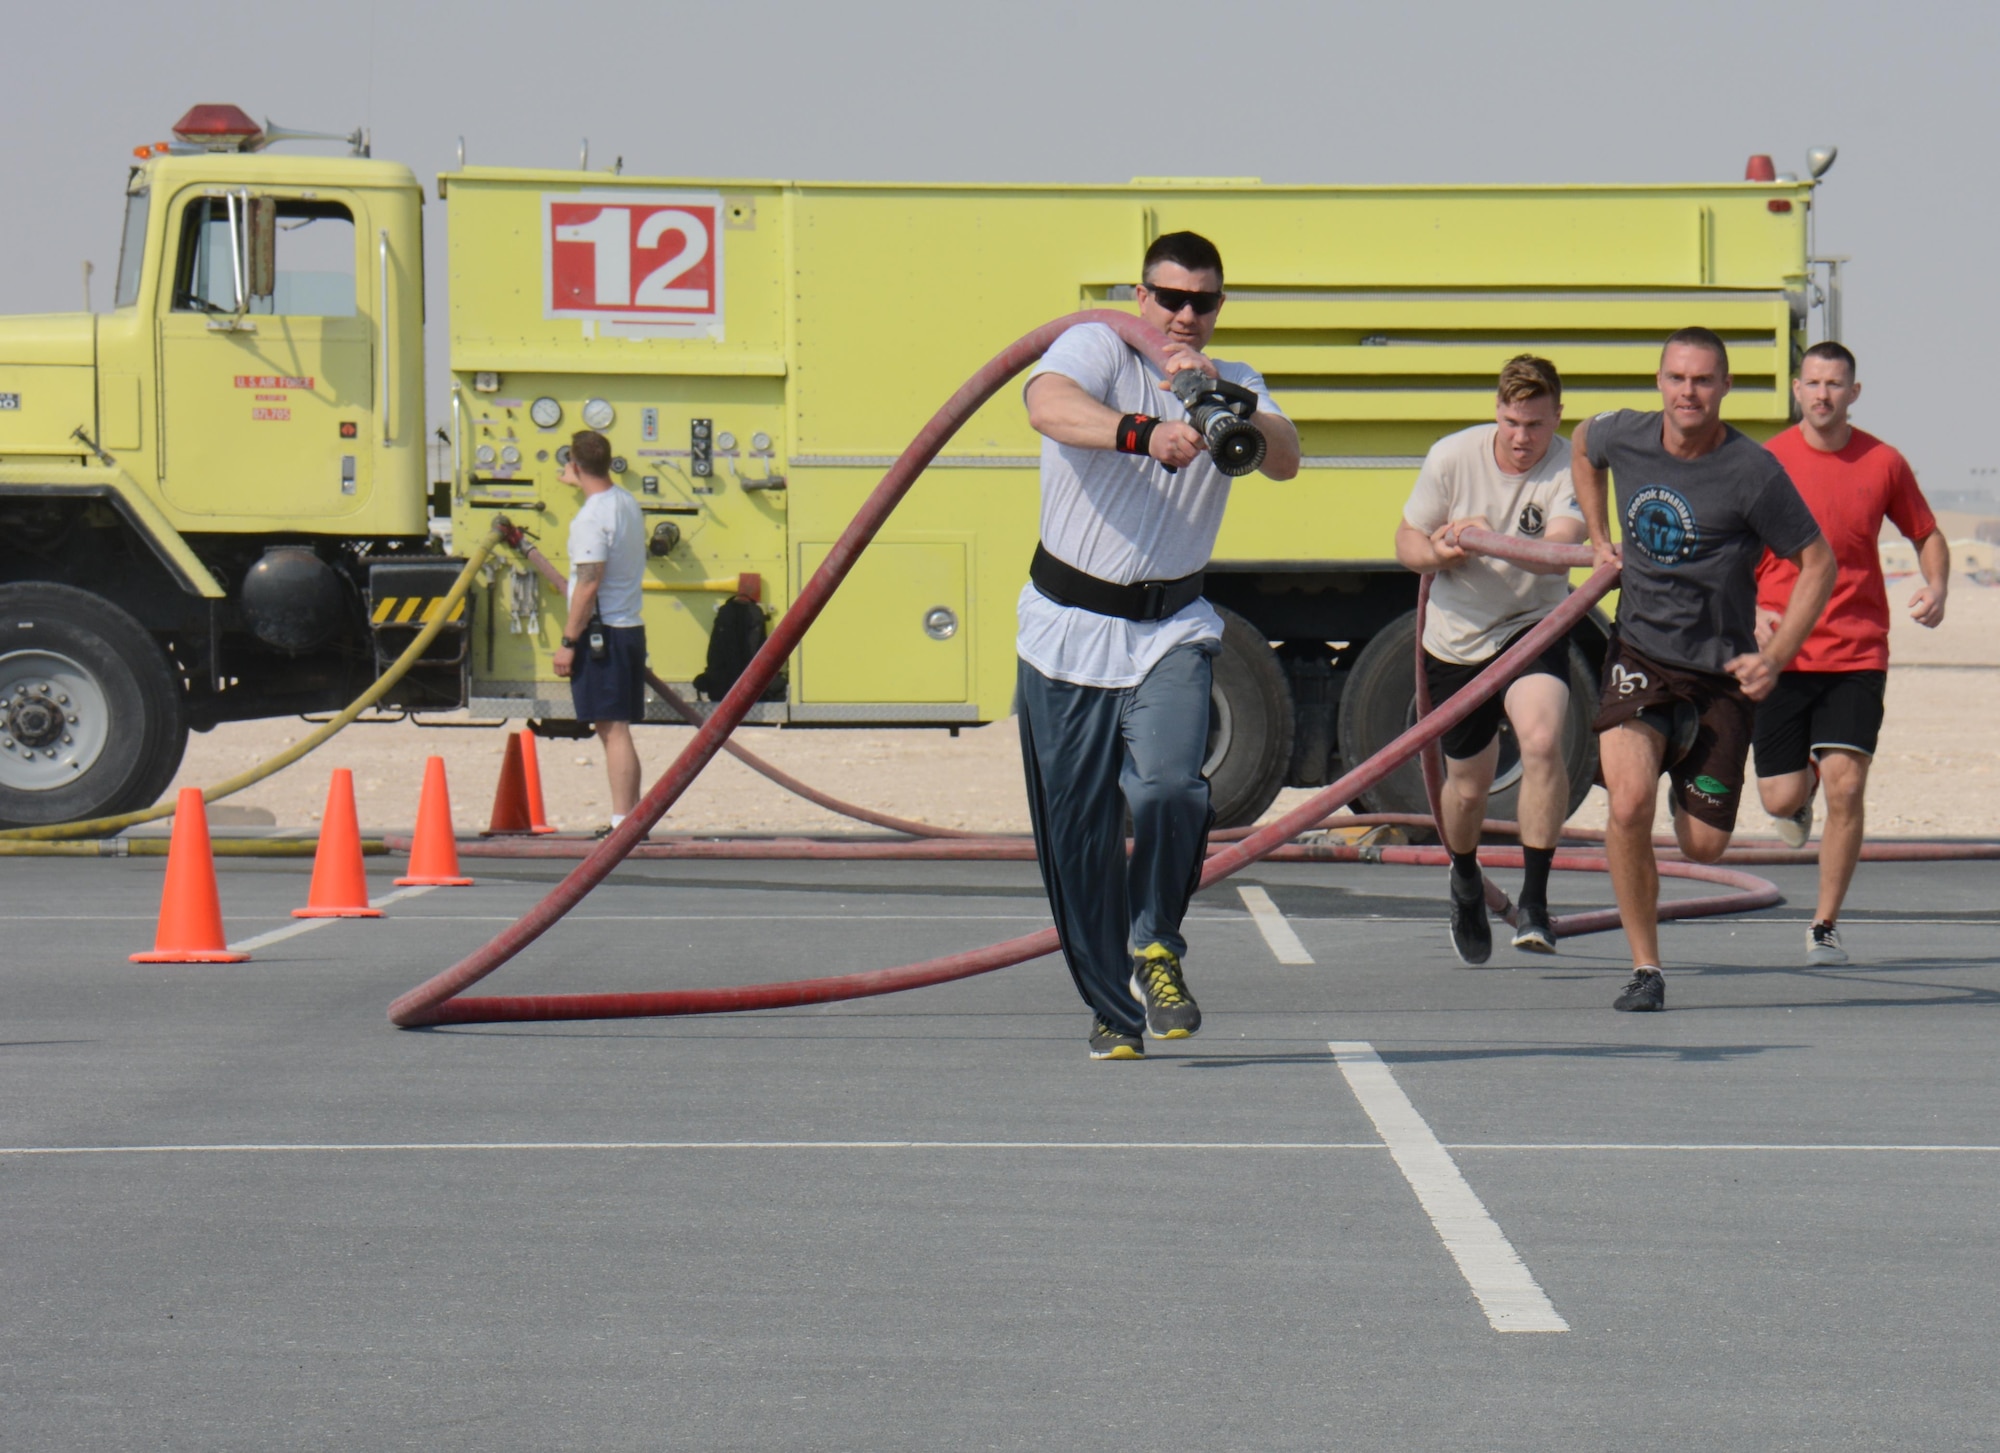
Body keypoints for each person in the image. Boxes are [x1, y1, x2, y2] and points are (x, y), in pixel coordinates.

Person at [1018, 230, 1301, 1060]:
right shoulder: (1099, 347)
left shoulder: (1234, 379)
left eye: (1203, 301)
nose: (1184, 314)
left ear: (1219, 306)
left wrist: (1228, 405)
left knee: (1174, 788)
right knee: (1079, 841)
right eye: (1169, 296)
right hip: (1067, 629)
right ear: (1141, 295)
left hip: (1170, 627)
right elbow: (1047, 405)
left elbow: (1285, 458)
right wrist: (1143, 432)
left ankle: (1156, 945)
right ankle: (1112, 1009)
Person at [1571, 327, 1835, 1012]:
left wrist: (1775, 656)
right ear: (1660, 381)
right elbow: (1580, 441)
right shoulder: (1625, 435)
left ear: (1725, 388)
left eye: (1703, 380)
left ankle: (1701, 770)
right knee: (1626, 805)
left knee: (1705, 846)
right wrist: (1600, 537)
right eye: (1677, 378)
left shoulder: (1752, 471)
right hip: (1640, 655)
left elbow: (1819, 563)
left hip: (1720, 675)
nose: (1689, 391)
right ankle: (1645, 968)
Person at [1752, 342, 1949, 966]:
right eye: (1812, 383)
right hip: (1781, 652)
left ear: (1854, 393)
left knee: (1848, 784)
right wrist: (1748, 609)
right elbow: (1728, 545)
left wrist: (1937, 585)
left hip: (1857, 651)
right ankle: (1797, 789)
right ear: (1796, 389)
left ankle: (1824, 923)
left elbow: (1926, 532)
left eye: (1835, 384)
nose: (1823, 395)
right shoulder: (1765, 462)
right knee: (1780, 802)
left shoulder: (1883, 461)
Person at [1396, 355, 1588, 962]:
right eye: (1511, 422)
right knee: (1469, 787)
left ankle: (1534, 901)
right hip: (1456, 637)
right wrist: (1441, 550)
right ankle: (1464, 877)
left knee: (1540, 740)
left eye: (1535, 424)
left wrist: (1491, 538)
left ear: (1557, 416)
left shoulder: (1571, 467)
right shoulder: (1453, 455)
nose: (1523, 438)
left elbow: (1562, 546)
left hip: (1532, 627)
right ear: (1496, 414)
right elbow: (1405, 540)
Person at [550, 430, 647, 833]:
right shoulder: (624, 503)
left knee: (613, 728)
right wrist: (581, 481)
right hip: (627, 628)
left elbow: (589, 583)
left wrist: (567, 643)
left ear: (574, 464)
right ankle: (629, 817)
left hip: (601, 635)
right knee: (614, 727)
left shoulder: (590, 518)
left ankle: (624, 822)